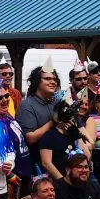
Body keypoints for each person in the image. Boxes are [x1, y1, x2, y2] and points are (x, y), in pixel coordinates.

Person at [15, 64, 60, 192]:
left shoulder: (56, 103)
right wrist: (52, 122)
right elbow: (31, 137)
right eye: (47, 79)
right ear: (37, 82)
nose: (53, 82)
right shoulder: (27, 105)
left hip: (57, 163)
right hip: (37, 166)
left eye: (54, 79)